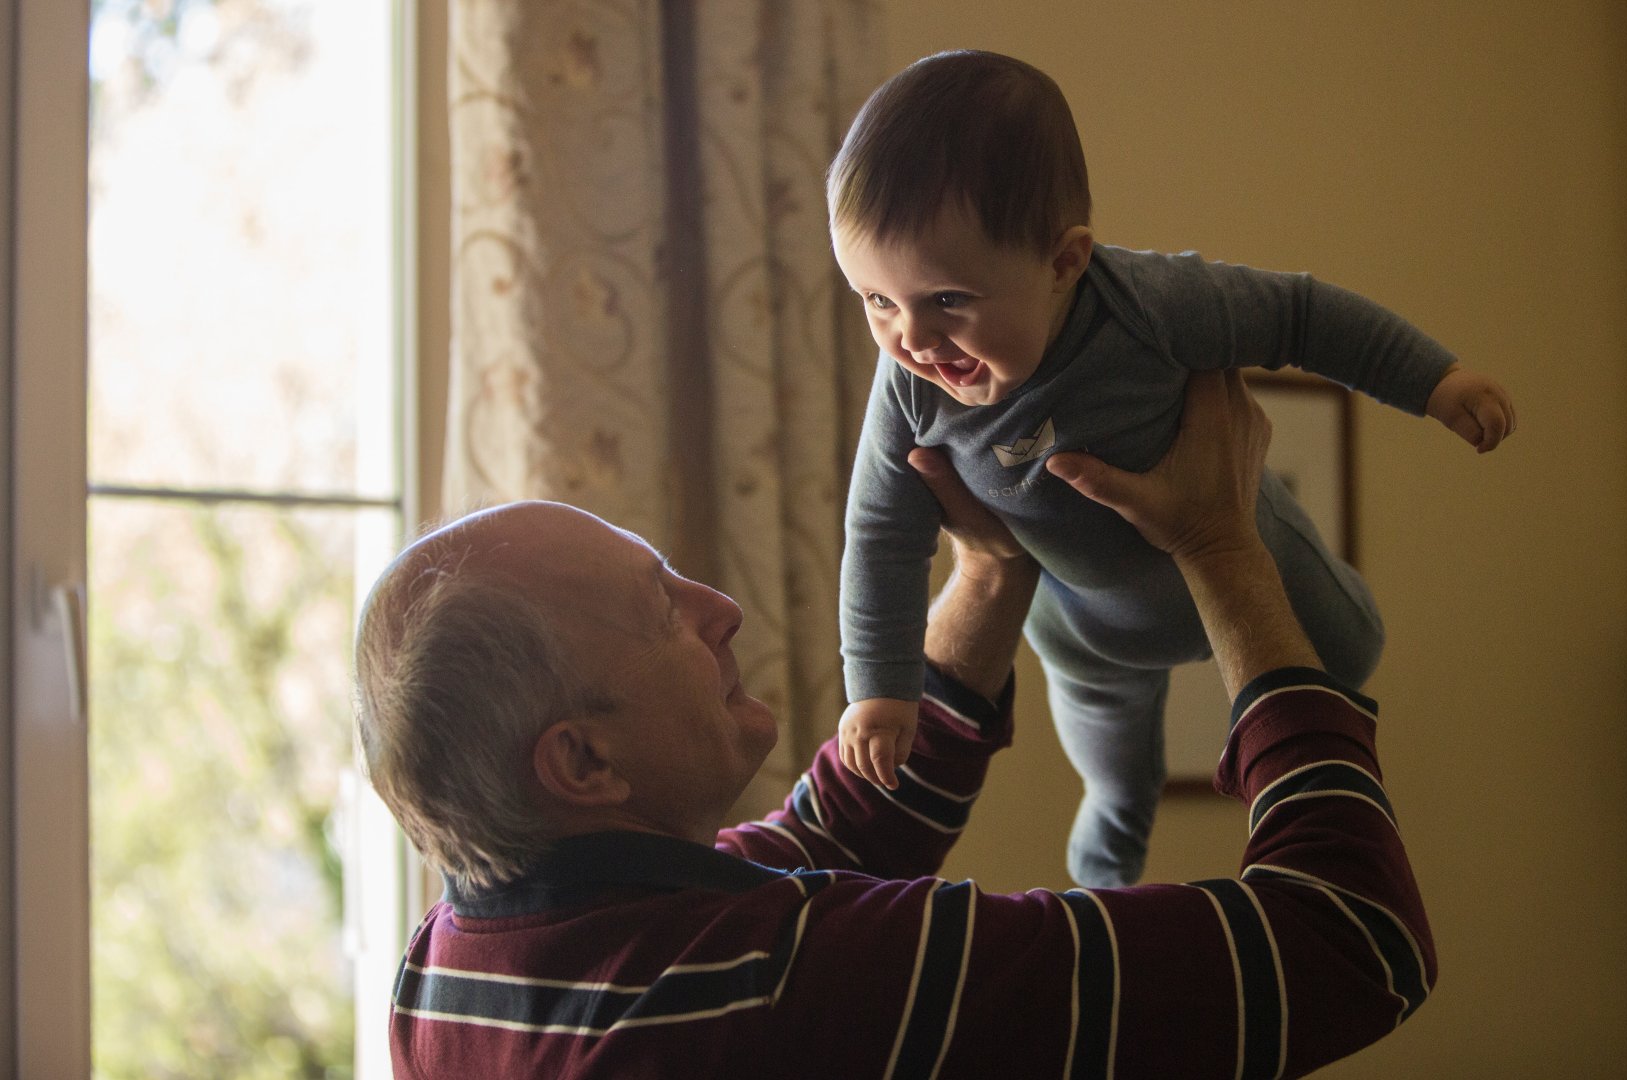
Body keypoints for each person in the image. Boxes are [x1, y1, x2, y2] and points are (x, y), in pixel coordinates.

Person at [355, 370, 1436, 1079]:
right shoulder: (790, 985)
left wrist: (992, 567)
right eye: (661, 610)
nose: (719, 610)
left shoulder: (450, 970)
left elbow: (831, 834)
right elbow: (1350, 940)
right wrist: (1221, 545)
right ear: (583, 761)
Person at [830, 49, 1516, 887]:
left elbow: (1301, 315)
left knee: (1353, 651)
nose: (912, 339)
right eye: (876, 301)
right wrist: (880, 689)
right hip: (1087, 631)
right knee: (1118, 779)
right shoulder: (908, 388)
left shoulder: (1151, 305)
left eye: (947, 300)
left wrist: (1435, 381)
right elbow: (880, 535)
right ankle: (1106, 882)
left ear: (1063, 263)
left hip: (1246, 546)